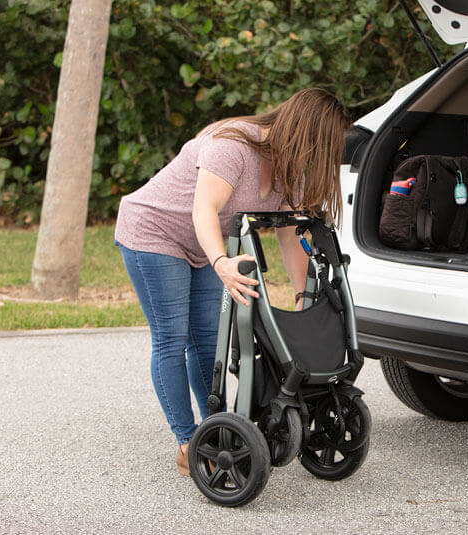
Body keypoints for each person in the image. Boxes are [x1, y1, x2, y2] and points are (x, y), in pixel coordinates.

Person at [114, 88, 350, 476]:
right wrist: (221, 261)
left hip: (204, 244)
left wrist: (302, 295)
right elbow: (204, 207)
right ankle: (188, 442)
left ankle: (216, 429)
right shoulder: (234, 145)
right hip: (154, 232)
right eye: (323, 147)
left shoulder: (292, 172)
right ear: (306, 134)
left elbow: (290, 237)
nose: (322, 158)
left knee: (208, 338)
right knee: (172, 338)